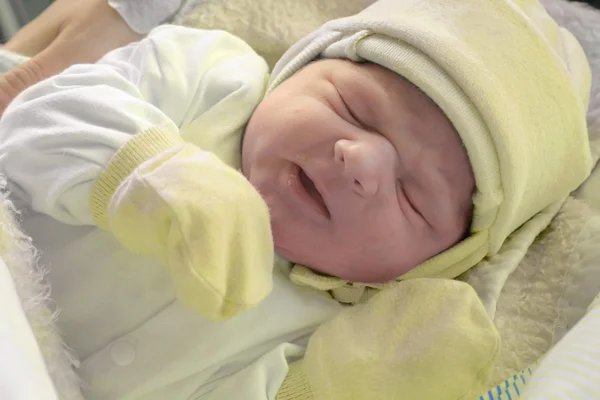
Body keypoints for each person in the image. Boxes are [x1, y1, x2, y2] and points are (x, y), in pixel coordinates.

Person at [0, 0, 593, 399]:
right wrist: (146, 169)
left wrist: (325, 385)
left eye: (414, 198)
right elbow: (35, 114)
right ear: (300, 68)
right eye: (352, 108)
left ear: (436, 264)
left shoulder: (331, 328)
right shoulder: (212, 79)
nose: (360, 161)